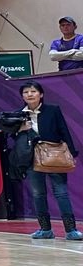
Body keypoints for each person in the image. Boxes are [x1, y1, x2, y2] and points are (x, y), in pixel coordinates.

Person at [18, 81, 78, 238]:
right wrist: (20, 129)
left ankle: (71, 230)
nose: (30, 94)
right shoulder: (19, 115)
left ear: (41, 94)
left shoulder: (53, 110)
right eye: (26, 92)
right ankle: (45, 229)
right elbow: (12, 136)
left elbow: (64, 130)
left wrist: (71, 153)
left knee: (61, 193)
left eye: (33, 91)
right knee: (38, 194)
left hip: (55, 156)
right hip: (32, 159)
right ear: (22, 96)